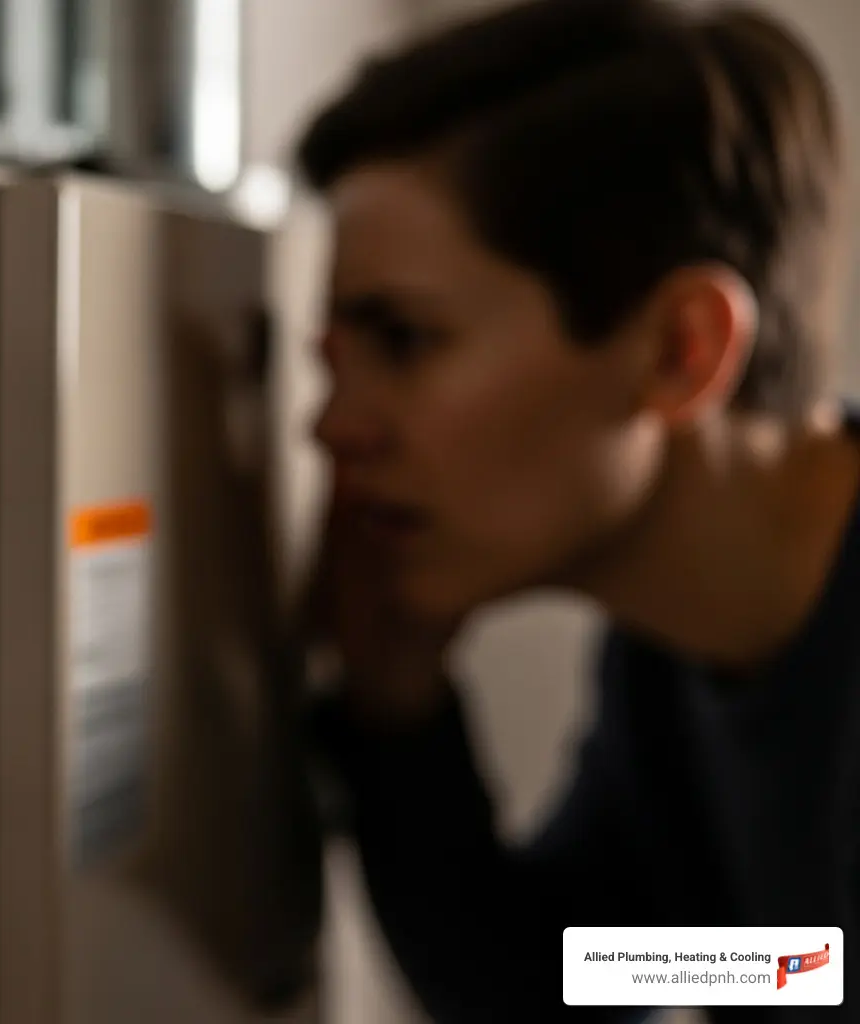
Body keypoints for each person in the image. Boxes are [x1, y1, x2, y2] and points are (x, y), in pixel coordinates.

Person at [285, 0, 858, 1019]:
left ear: (683, 349)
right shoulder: (678, 656)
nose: (333, 430)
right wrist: (400, 708)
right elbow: (565, 980)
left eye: (406, 341)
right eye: (335, 363)